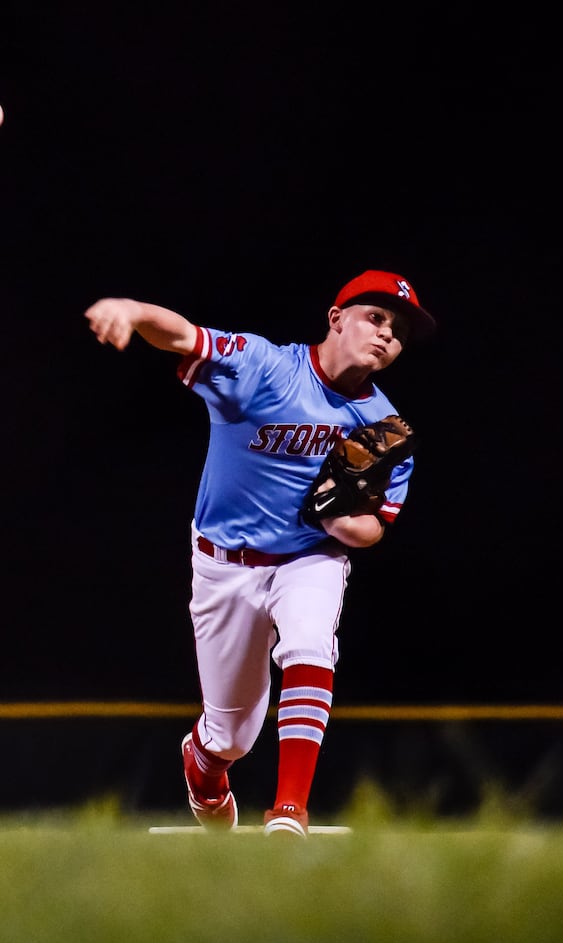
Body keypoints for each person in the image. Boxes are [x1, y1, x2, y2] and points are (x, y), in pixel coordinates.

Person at [84, 270, 435, 836]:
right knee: (232, 735)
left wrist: (343, 522)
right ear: (336, 317)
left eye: (397, 331)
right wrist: (132, 308)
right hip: (226, 563)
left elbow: (376, 527)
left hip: (308, 557)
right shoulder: (266, 366)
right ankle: (203, 761)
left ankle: (289, 809)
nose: (386, 334)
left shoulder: (383, 427)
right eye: (376, 317)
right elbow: (185, 336)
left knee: (311, 641)